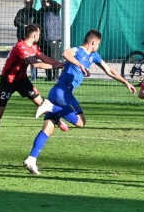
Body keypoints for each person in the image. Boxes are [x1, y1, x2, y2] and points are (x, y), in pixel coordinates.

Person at [24, 30, 137, 175]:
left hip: (57, 93)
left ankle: (31, 159)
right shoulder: (79, 50)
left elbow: (109, 70)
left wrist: (126, 82)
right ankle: (50, 106)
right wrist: (80, 65)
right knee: (80, 121)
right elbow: (66, 53)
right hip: (62, 93)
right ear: (93, 42)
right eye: (98, 44)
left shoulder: (94, 56)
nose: (98, 47)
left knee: (48, 128)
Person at [0, 24, 65, 155]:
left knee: (41, 103)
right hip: (7, 81)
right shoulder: (20, 46)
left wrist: (60, 63)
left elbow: (44, 58)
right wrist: (56, 67)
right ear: (34, 35)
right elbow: (35, 63)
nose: (39, 36)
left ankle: (56, 119)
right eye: (39, 34)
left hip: (22, 80)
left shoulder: (34, 47)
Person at [39, 0, 63, 81]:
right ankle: (48, 77)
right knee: (45, 58)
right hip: (43, 39)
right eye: (43, 1)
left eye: (47, 1)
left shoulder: (54, 9)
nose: (45, 3)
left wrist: (50, 1)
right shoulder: (40, 11)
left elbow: (59, 5)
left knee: (54, 57)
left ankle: (56, 76)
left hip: (53, 38)